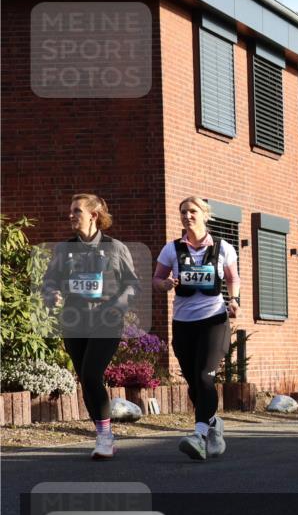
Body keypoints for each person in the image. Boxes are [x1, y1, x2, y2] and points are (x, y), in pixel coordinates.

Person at [42, 194, 141, 460]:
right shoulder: (64, 250)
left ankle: (105, 437)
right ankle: (102, 434)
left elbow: (133, 285)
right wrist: (52, 294)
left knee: (91, 374)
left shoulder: (115, 248)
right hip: (74, 321)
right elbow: (49, 281)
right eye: (71, 210)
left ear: (93, 215)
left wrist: (118, 305)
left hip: (106, 322)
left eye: (77, 211)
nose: (70, 215)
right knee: (86, 380)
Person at [153, 196, 240, 460]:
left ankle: (199, 436)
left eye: (192, 211)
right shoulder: (172, 249)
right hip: (183, 323)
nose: (187, 216)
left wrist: (234, 300)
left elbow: (232, 278)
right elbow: (157, 279)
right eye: (183, 212)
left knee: (204, 377)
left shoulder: (223, 247)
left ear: (205, 215)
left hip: (214, 320)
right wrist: (165, 284)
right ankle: (213, 424)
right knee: (194, 384)